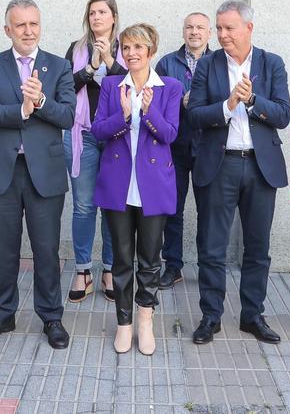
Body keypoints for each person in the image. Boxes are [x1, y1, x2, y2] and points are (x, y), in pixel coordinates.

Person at [0, 0, 76, 349]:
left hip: (43, 172)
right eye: (21, 25)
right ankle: (3, 313)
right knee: (3, 248)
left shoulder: (59, 66)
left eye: (33, 24)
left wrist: (42, 103)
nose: (28, 30)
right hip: (3, 170)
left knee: (46, 249)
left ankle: (51, 317)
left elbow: (67, 116)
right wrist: (21, 108)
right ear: (8, 30)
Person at [187, 0, 290, 346]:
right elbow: (196, 116)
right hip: (220, 165)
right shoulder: (207, 64)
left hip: (261, 167)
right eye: (218, 28)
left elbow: (283, 115)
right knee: (212, 247)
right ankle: (210, 316)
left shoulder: (271, 63)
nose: (222, 35)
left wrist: (252, 102)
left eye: (229, 28)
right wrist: (228, 106)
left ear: (249, 27)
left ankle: (252, 315)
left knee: (258, 247)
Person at [92, 23, 182, 355]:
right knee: (120, 260)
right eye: (126, 47)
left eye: (137, 48)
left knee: (149, 259)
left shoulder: (169, 86)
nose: (131, 53)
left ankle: (145, 320)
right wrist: (123, 115)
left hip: (153, 187)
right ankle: (123, 323)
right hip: (118, 185)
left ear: (151, 51)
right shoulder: (111, 84)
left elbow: (170, 134)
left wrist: (147, 111)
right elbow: (98, 130)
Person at [64, 0, 124, 303]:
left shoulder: (127, 48)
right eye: (92, 13)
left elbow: (134, 86)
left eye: (102, 12)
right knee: (84, 206)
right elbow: (64, 89)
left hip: (117, 137)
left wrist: (111, 63)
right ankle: (84, 270)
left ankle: (110, 269)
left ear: (114, 16)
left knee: (114, 206)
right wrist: (90, 68)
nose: (96, 17)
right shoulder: (76, 49)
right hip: (83, 134)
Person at [153, 11, 212, 289]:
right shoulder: (167, 63)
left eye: (200, 27)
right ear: (183, 31)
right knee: (172, 209)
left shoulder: (219, 62)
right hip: (174, 147)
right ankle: (173, 266)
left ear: (209, 33)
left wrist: (199, 103)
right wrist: (180, 103)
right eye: (189, 27)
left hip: (208, 146)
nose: (194, 32)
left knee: (207, 210)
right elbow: (156, 105)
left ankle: (207, 266)